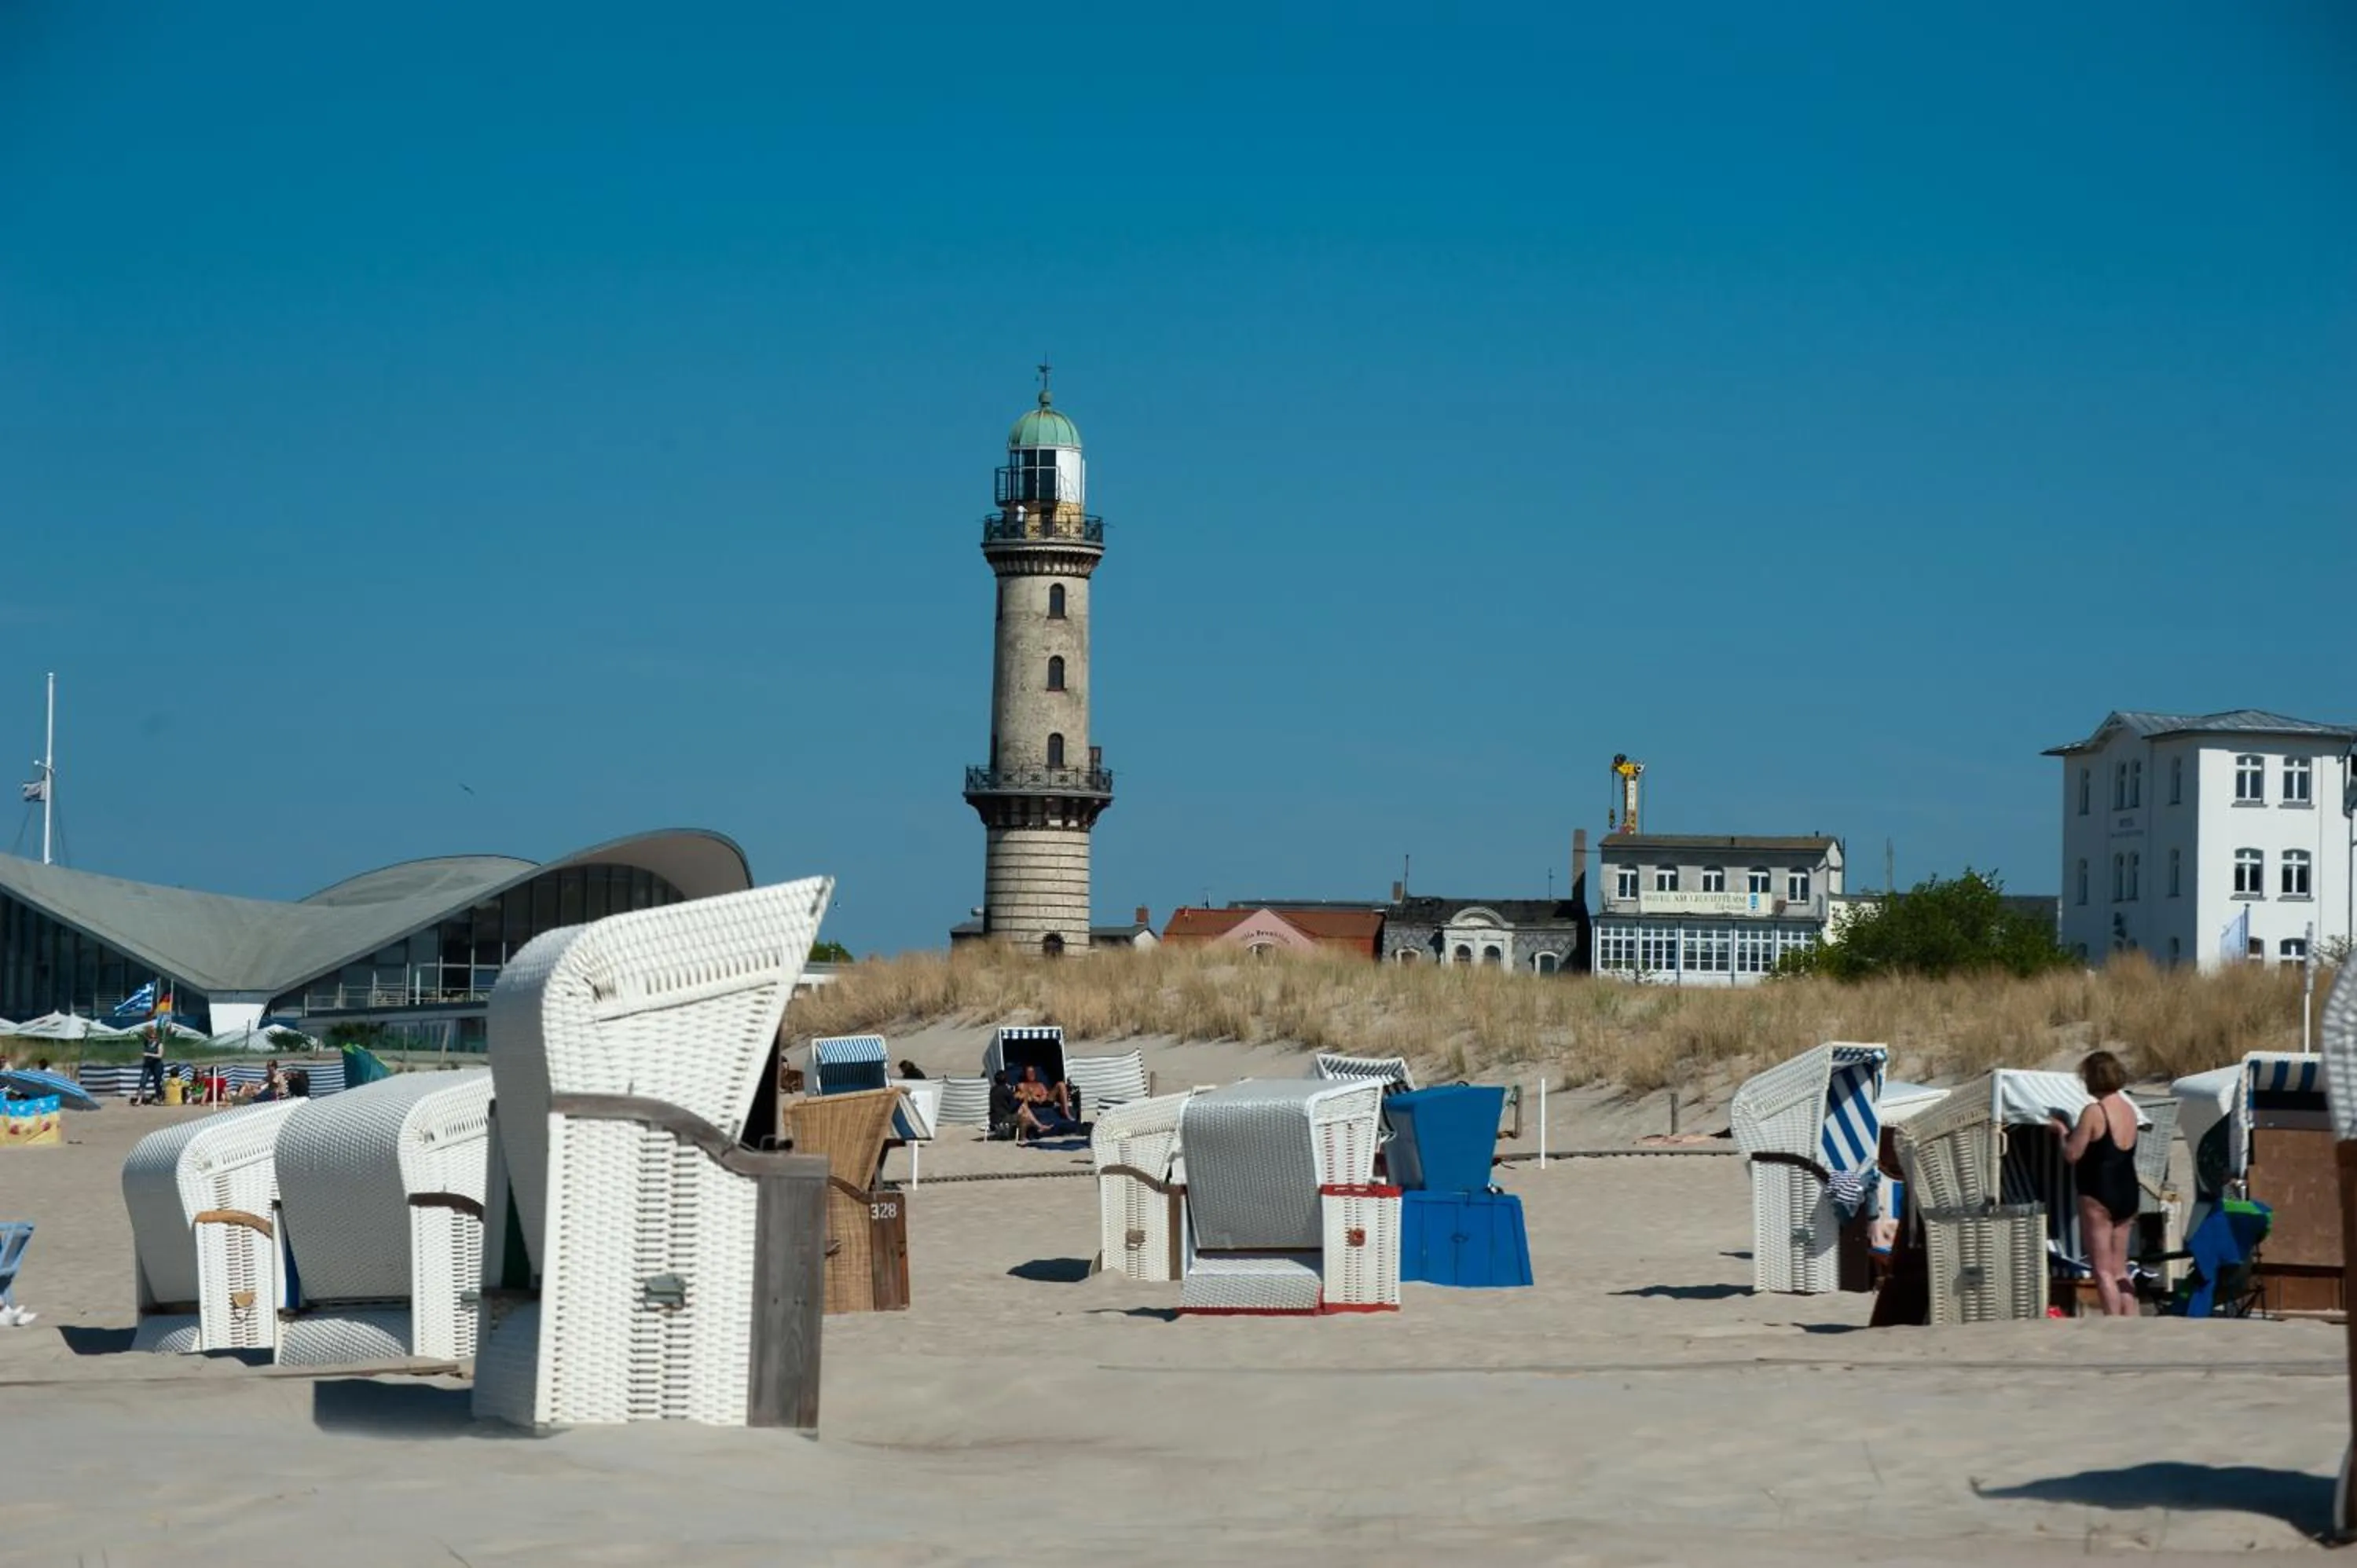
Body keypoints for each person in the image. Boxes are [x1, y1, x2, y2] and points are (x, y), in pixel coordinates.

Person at [2052, 1050, 2142, 1317]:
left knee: (2102, 1269)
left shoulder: (2094, 1111)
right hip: (2128, 1189)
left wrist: (2061, 1132)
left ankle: (2113, 1325)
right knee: (2120, 1269)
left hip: (2098, 1191)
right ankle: (2133, 1323)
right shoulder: (2129, 1110)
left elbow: (2073, 1154)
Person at [137, 1025, 167, 1105]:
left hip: (157, 1064)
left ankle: (160, 1098)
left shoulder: (160, 1044)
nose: (151, 1039)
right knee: (143, 1081)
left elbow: (160, 1056)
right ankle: (139, 1100)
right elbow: (141, 1034)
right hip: (148, 1065)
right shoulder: (146, 1043)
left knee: (157, 1082)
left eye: (153, 1037)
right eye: (150, 1037)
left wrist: (148, 1054)